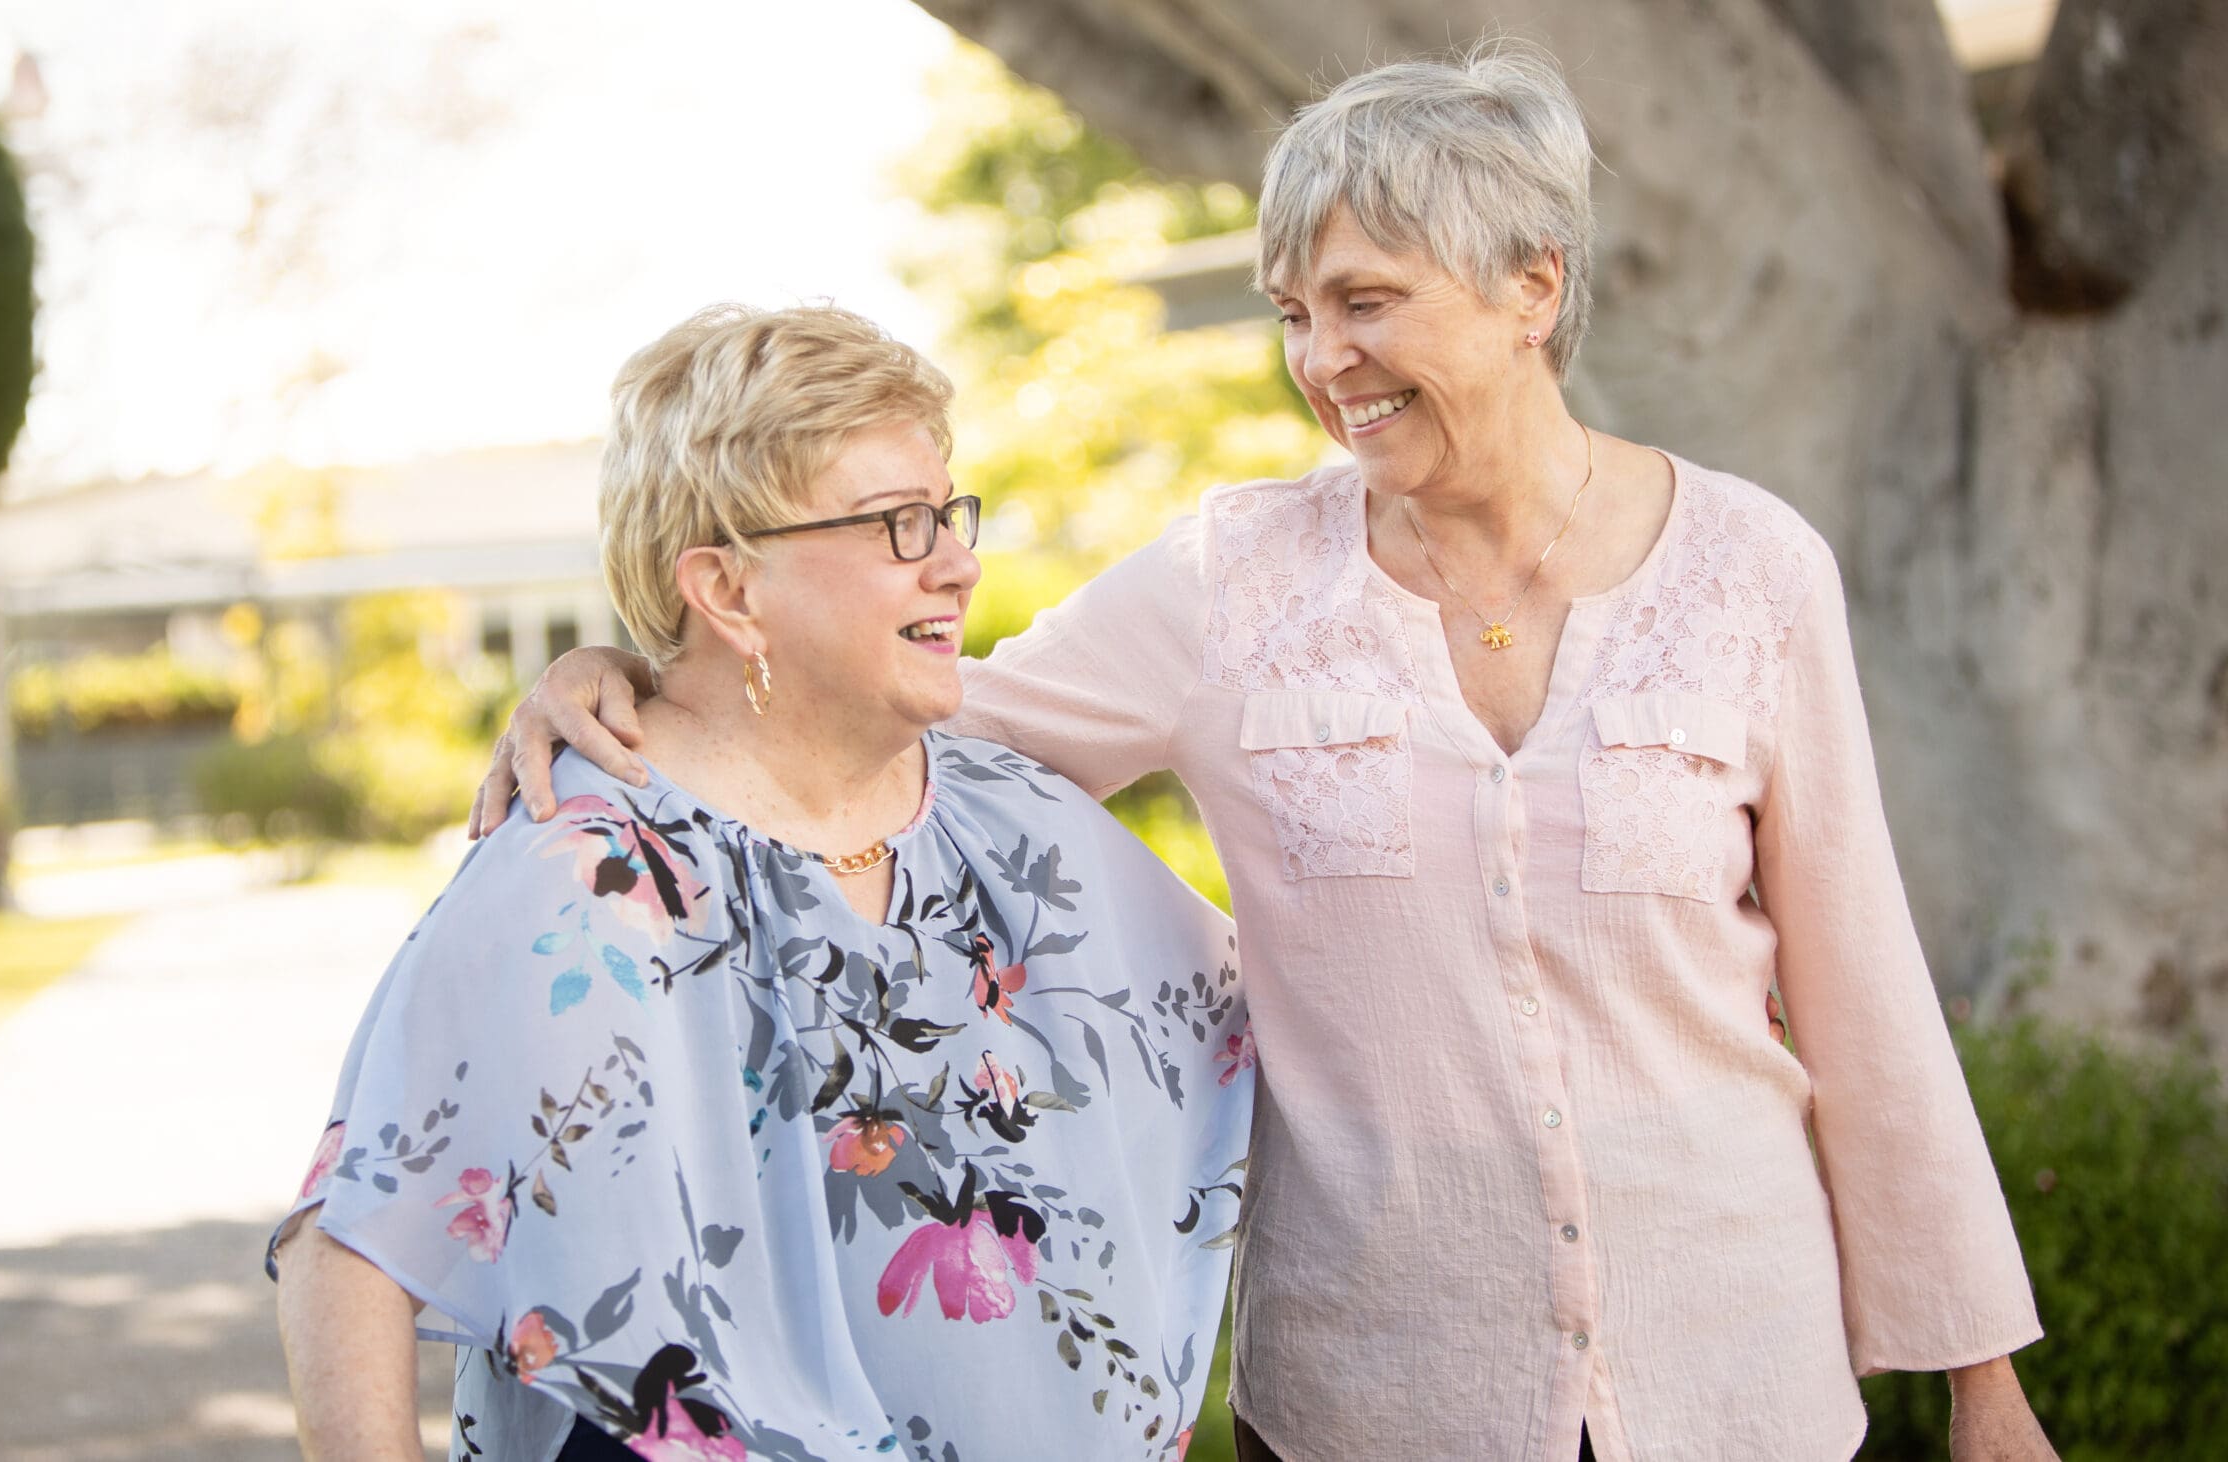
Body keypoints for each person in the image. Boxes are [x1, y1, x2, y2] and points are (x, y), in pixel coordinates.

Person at [476, 44, 2058, 1462]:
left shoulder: (1750, 570)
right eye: (1295, 312)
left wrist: (1983, 1385)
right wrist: (651, 665)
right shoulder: (1228, 580)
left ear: (1532, 286)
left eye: (1368, 301)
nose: (1322, 359)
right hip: (1380, 1392)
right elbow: (902, 728)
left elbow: (1865, 989)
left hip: (1739, 1377)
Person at [270, 303, 1252, 1462]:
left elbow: (1279, 1035)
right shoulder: (587, 869)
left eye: (947, 513)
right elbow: (357, 1234)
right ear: (728, 590)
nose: (957, 561)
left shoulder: (1014, 820)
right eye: (896, 524)